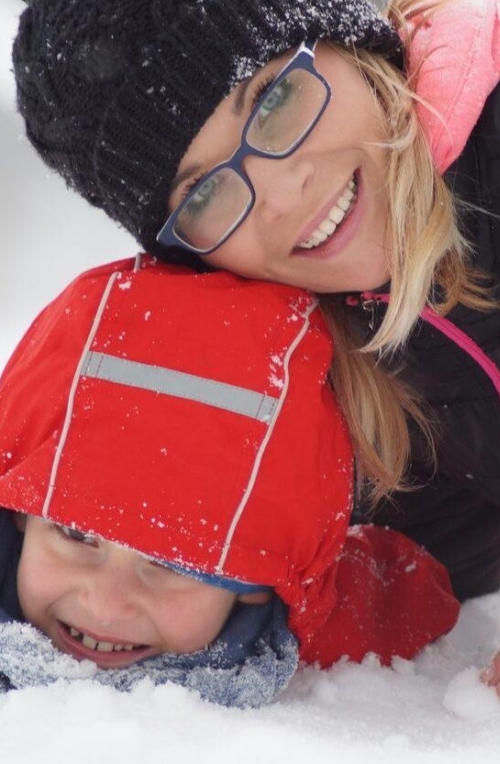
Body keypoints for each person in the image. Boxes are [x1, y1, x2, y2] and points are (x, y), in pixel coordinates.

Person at [11, 0, 500, 700]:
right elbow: (438, 562)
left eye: (275, 102)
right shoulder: (358, 331)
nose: (282, 197)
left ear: (343, 37)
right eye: (202, 195)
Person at [0, 255, 458, 705]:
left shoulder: (283, 631)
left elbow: (405, 590)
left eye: (173, 564)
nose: (104, 605)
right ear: (20, 517)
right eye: (77, 534)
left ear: (257, 587)